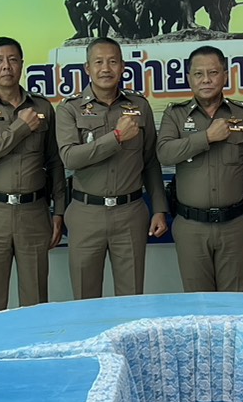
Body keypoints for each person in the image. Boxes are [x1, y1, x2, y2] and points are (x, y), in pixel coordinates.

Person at [55, 37, 168, 298]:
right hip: (86, 213)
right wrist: (116, 137)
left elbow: (150, 161)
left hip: (130, 213)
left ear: (123, 67)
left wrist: (159, 208)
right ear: (87, 68)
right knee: (85, 299)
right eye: (99, 62)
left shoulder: (139, 106)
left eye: (113, 62)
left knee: (131, 298)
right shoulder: (70, 108)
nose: (106, 69)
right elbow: (70, 158)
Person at [0, 37, 65, 314]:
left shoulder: (42, 108)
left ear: (21, 64)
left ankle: (33, 344)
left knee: (35, 299)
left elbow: (55, 162)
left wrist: (59, 211)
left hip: (34, 212)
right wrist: (20, 128)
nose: (6, 66)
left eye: (12, 60)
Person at [156, 45, 243, 291]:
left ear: (225, 76)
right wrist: (206, 137)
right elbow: (164, 153)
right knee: (198, 302)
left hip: (234, 225)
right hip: (191, 227)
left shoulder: (242, 114)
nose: (206, 79)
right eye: (198, 74)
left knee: (234, 301)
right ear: (189, 78)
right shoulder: (175, 115)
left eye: (213, 72)